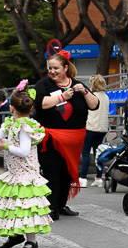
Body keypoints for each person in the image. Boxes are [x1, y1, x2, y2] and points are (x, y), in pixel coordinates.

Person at [0, 86, 52, 248]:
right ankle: (15, 235)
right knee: (13, 205)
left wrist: (6, 146)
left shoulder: (24, 126)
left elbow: (24, 151)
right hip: (15, 173)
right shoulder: (11, 123)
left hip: (26, 174)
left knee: (27, 208)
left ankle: (31, 242)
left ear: (11, 107)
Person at [34, 51, 101, 220]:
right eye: (50, 68)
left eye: (56, 68)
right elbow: (40, 104)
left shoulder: (78, 85)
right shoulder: (44, 85)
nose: (52, 71)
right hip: (50, 138)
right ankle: (52, 207)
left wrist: (85, 92)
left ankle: (61, 204)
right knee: (51, 172)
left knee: (67, 173)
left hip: (74, 140)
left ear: (65, 68)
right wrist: (62, 97)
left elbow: (95, 105)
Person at [78, 75, 110, 188]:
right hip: (102, 128)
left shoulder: (91, 96)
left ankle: (82, 178)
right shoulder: (106, 97)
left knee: (85, 152)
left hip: (90, 127)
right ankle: (99, 178)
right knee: (98, 153)